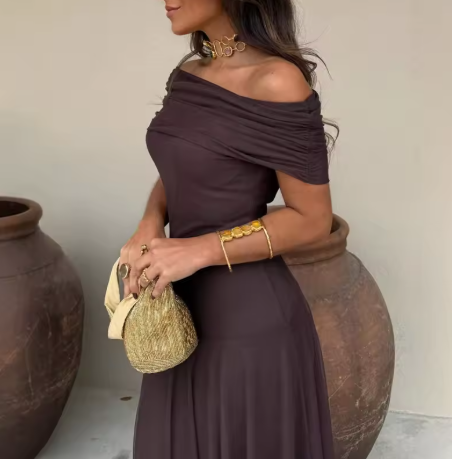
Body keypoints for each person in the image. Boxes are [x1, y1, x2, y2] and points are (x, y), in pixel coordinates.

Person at [119, 0, 336, 457]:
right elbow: (181, 168)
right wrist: (150, 222)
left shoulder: (277, 81)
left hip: (248, 326)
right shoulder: (190, 74)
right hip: (176, 315)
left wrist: (197, 250)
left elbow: (312, 219)